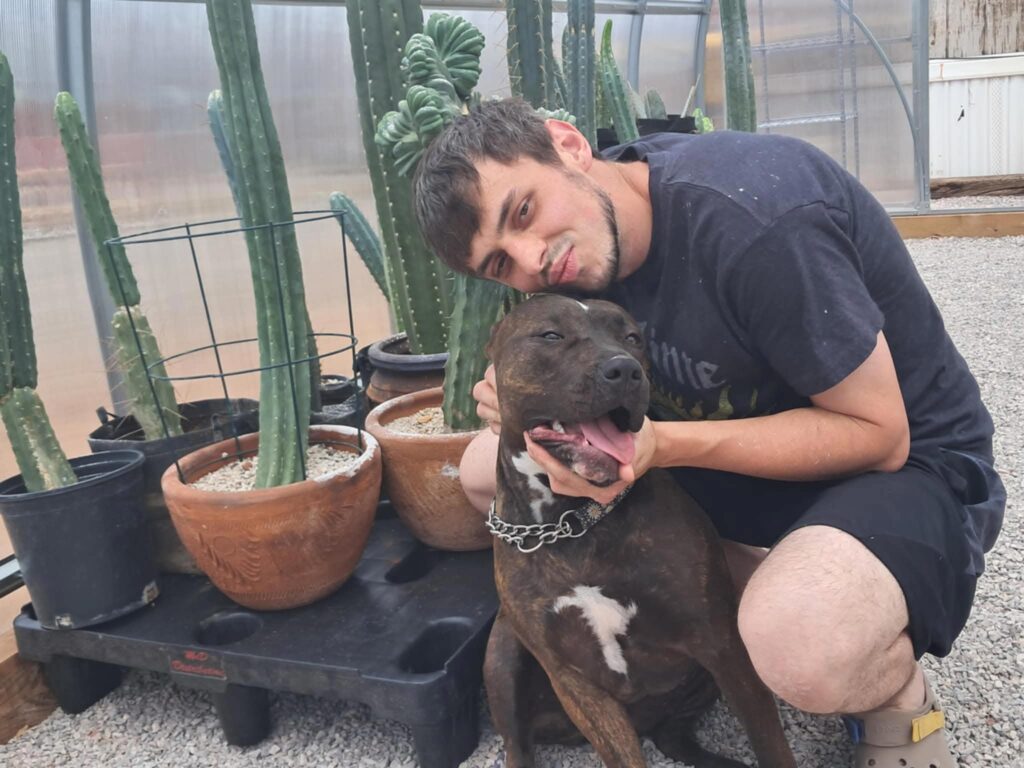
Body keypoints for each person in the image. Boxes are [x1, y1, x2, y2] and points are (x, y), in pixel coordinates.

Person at [411, 98, 1005, 766]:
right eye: (500, 265)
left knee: (801, 644)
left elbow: (880, 435)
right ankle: (744, 585)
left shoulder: (755, 217)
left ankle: (891, 689)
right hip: (736, 461)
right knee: (483, 472)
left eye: (522, 212)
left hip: (900, 466)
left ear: (569, 146)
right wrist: (516, 396)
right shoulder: (590, 237)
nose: (532, 260)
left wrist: (666, 446)